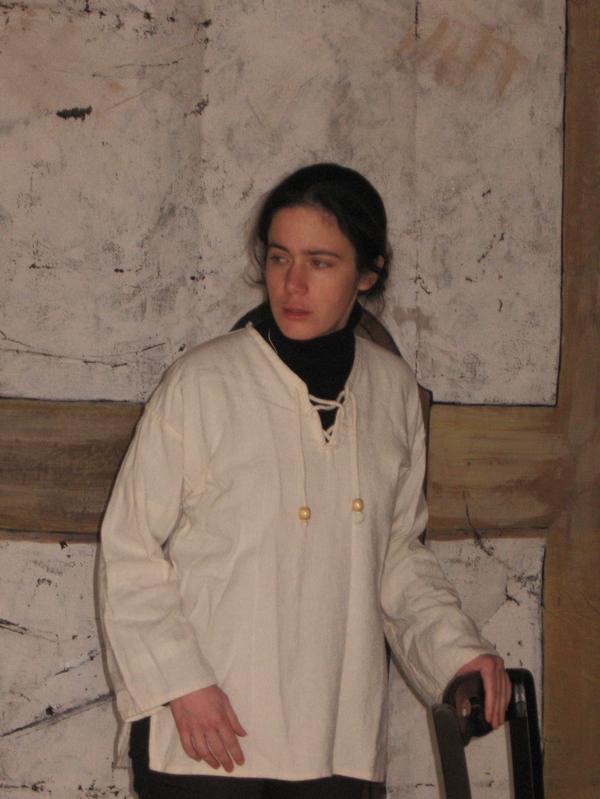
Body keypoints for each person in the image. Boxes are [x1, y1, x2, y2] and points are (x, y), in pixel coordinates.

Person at [98, 163, 510, 799]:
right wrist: (180, 682)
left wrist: (459, 652)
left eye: (320, 262)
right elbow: (129, 545)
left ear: (367, 273)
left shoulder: (392, 391)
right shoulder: (203, 382)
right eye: (279, 257)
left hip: (335, 735)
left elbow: (396, 557)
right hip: (209, 737)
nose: (292, 283)